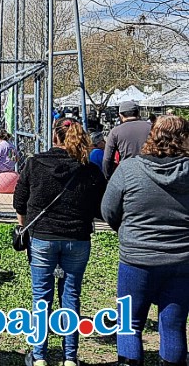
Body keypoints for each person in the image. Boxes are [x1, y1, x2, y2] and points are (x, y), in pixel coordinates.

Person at [13, 118, 107, 366]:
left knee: (41, 297)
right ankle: (69, 357)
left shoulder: (35, 163)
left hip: (42, 237)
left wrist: (23, 226)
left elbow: (19, 201)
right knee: (71, 296)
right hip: (77, 238)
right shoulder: (90, 169)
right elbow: (101, 207)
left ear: (54, 137)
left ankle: (40, 355)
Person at [101, 115, 189, 366]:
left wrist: (128, 232)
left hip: (136, 260)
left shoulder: (129, 169)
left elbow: (108, 211)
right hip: (182, 261)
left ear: (152, 136)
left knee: (129, 323)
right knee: (173, 325)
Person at [102, 100, 152, 179]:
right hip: (150, 172)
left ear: (121, 116)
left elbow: (107, 159)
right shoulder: (152, 127)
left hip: (127, 174)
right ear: (138, 113)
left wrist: (108, 177)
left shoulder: (115, 132)